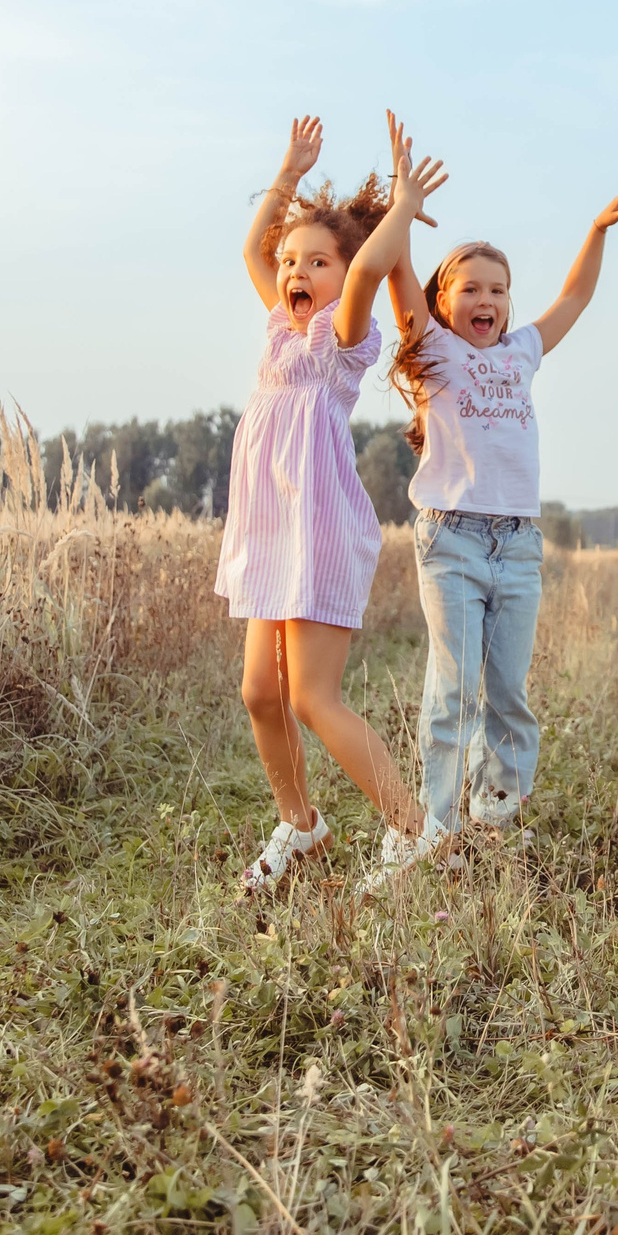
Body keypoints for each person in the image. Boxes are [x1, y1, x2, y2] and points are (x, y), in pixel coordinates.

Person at [217, 113, 446, 893]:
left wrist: (402, 209)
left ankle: (414, 828)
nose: (294, 270)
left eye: (317, 260)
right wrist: (287, 171)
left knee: (313, 697)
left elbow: (369, 271)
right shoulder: (281, 328)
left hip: (317, 532)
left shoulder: (338, 342)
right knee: (259, 691)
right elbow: (252, 249)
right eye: (292, 261)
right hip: (267, 531)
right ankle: (300, 824)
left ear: (341, 273)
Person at [383, 179, 618, 842]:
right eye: (471, 288)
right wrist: (403, 211)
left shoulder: (522, 351)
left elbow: (574, 297)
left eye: (498, 289)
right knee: (453, 694)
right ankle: (432, 828)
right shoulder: (437, 352)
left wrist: (597, 232)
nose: (487, 300)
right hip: (454, 541)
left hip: (519, 546)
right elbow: (398, 273)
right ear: (443, 302)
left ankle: (494, 816)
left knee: (509, 697)